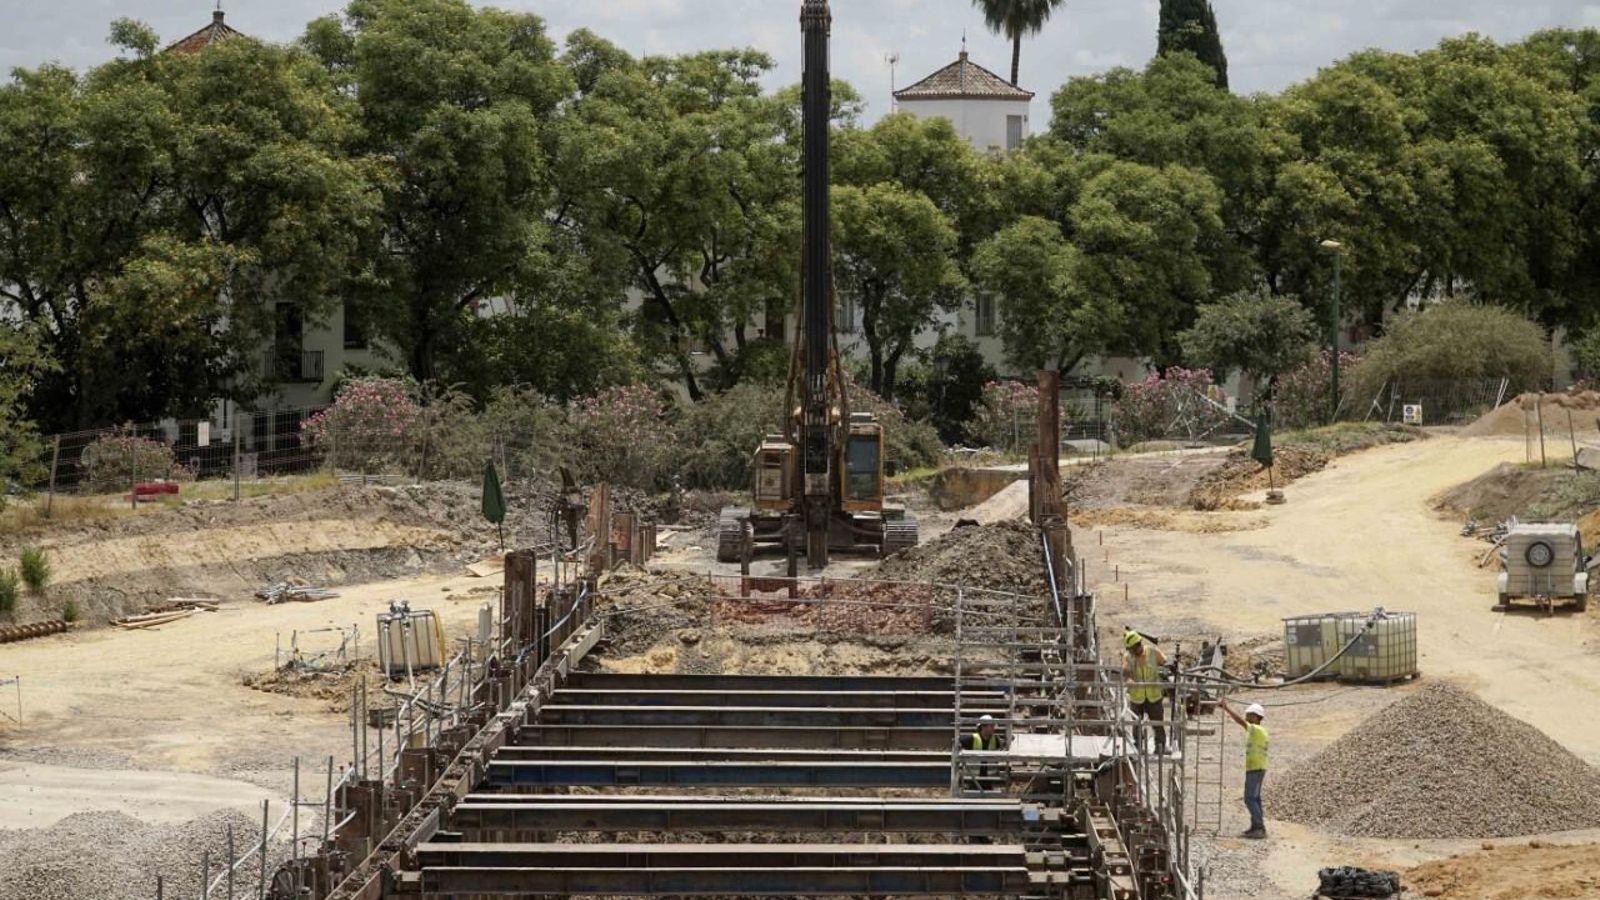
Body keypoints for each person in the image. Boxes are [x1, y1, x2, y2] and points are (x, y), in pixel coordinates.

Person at [1221, 700, 1270, 839]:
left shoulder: (1257, 729)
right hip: (1257, 767)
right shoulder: (1259, 731)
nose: (1247, 717)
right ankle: (1256, 826)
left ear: (1256, 717)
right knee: (1255, 798)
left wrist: (1227, 709)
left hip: (1256, 768)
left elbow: (1240, 722)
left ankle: (1259, 828)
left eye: (1249, 715)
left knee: (1249, 799)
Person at [1124, 630, 1168, 753]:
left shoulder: (1153, 652)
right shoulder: (1128, 657)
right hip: (1137, 697)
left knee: (1157, 723)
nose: (1130, 652)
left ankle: (1160, 747)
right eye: (1129, 649)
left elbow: (1166, 663)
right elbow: (1126, 672)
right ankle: (1138, 747)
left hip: (1154, 696)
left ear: (1138, 645)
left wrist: (1166, 670)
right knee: (1137, 724)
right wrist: (1129, 679)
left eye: (1132, 649)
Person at [965, 714, 1004, 793]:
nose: (994, 728)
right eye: (991, 726)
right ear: (983, 727)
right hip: (974, 778)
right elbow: (957, 744)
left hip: (989, 778)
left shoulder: (996, 739)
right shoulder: (972, 738)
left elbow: (1005, 744)